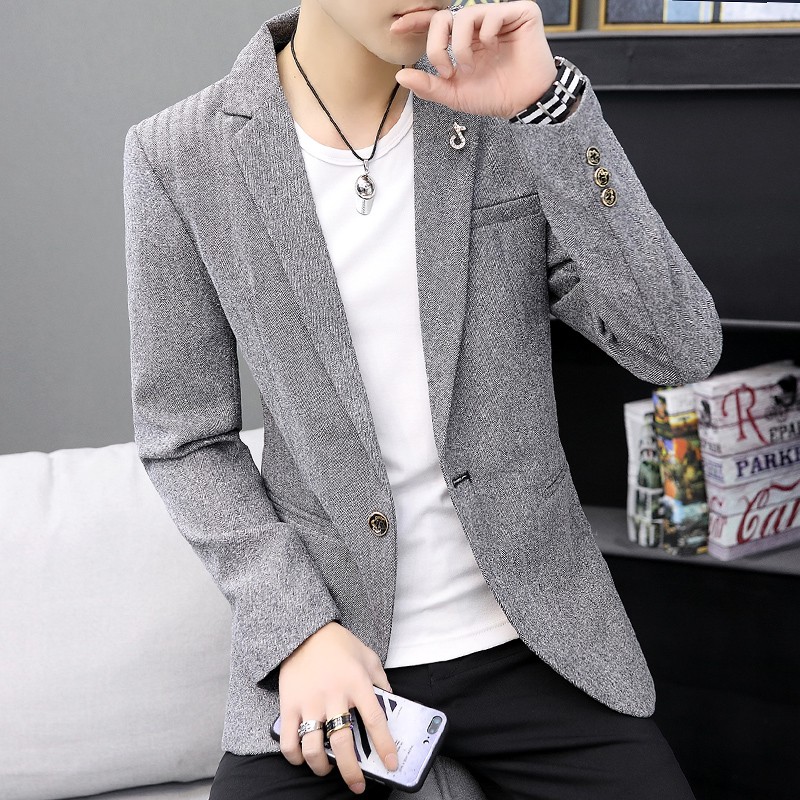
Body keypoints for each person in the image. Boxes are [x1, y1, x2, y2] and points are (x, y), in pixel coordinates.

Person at [122, 1, 722, 798]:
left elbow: (677, 347)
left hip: (540, 645)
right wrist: (298, 630)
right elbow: (183, 438)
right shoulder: (179, 154)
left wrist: (550, 112)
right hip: (335, 651)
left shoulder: (505, 112)